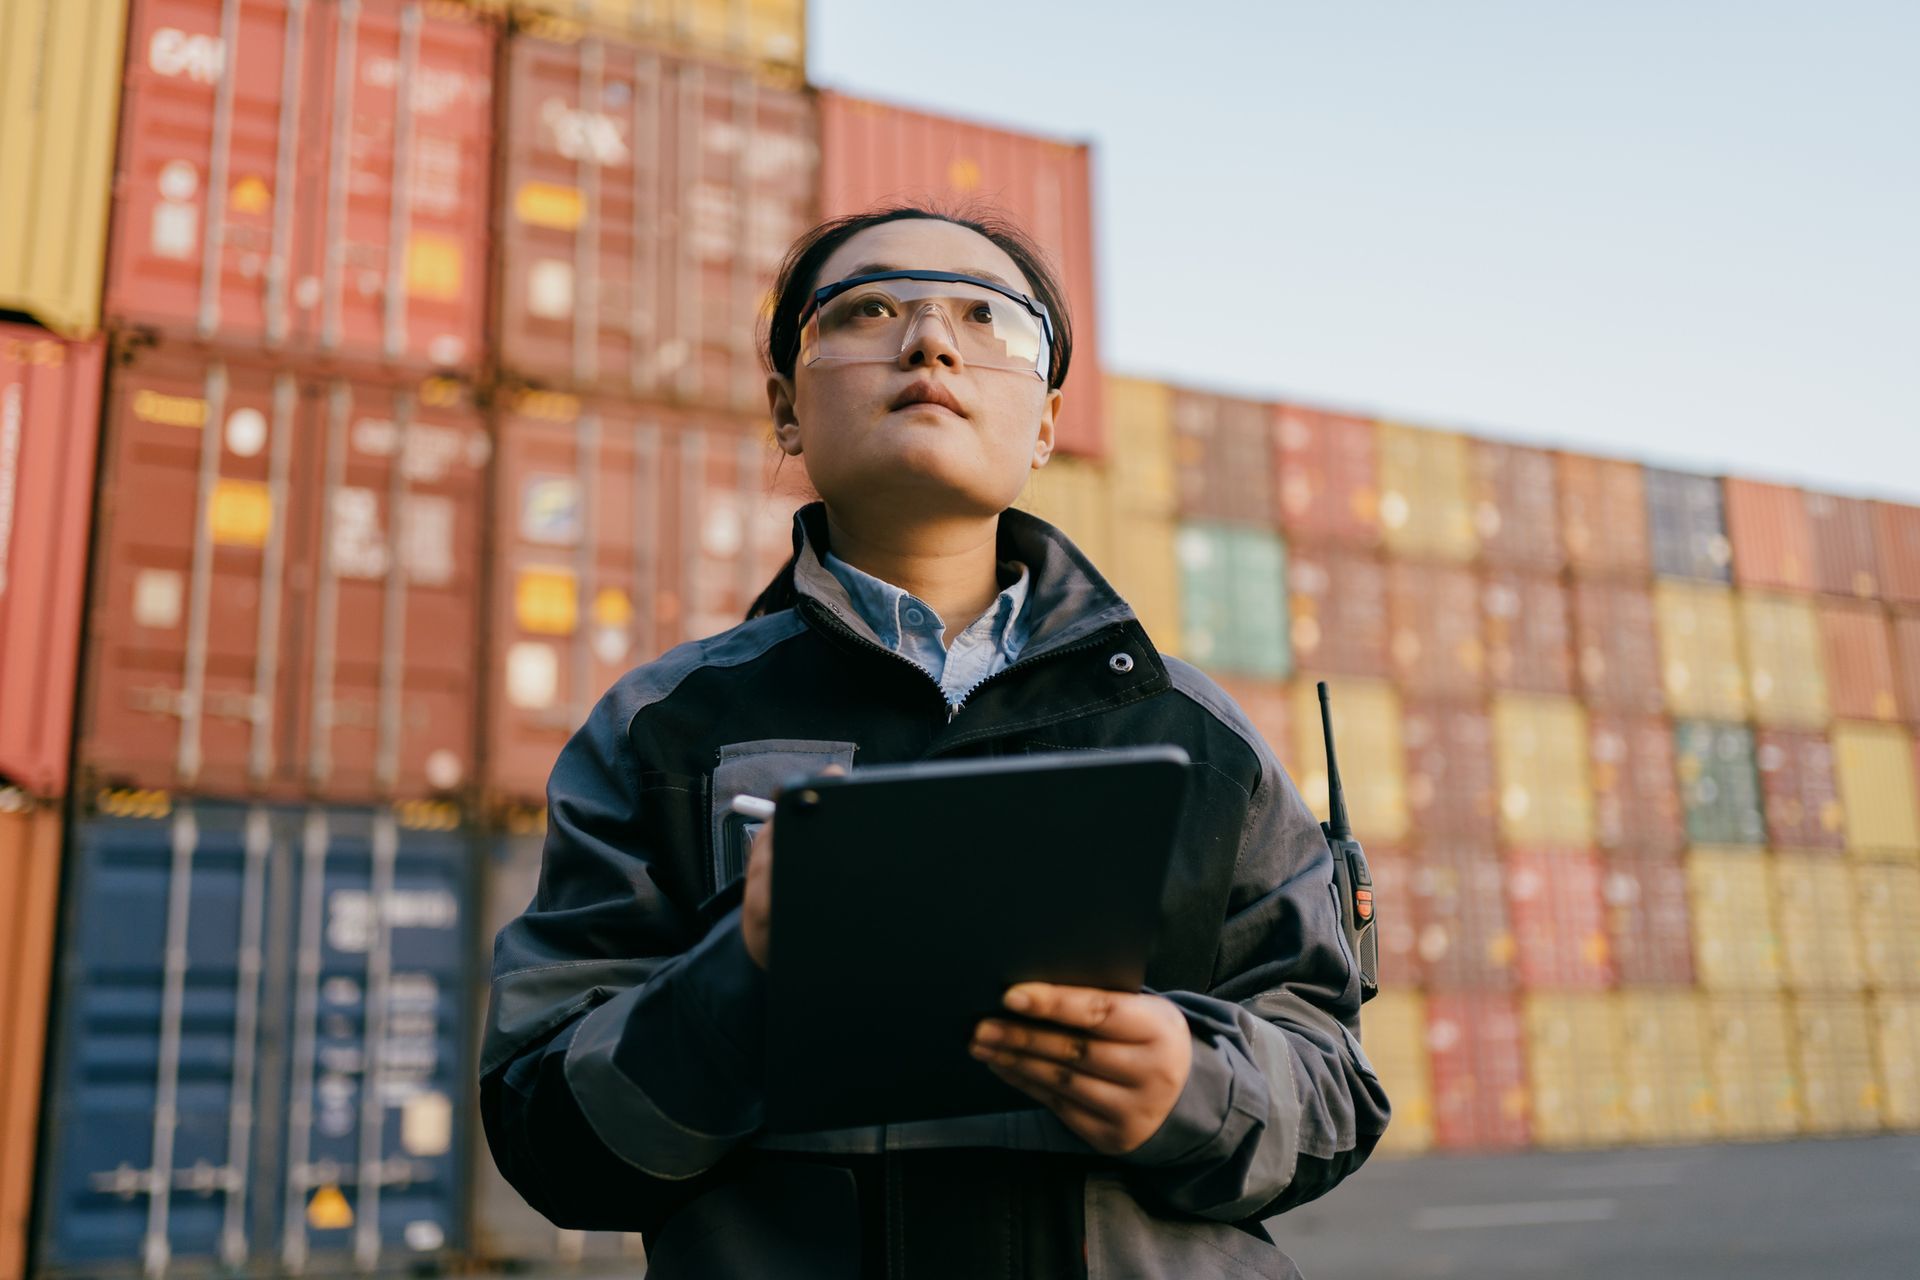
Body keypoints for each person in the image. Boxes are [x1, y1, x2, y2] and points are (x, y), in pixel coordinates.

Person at [479, 202, 1391, 1279]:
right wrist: (745, 976)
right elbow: (554, 1139)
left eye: (987, 316)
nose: (932, 340)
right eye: (866, 307)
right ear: (786, 407)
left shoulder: (1201, 735)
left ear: (1047, 423)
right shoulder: (661, 731)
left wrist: (1189, 1083)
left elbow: (1334, 1087)